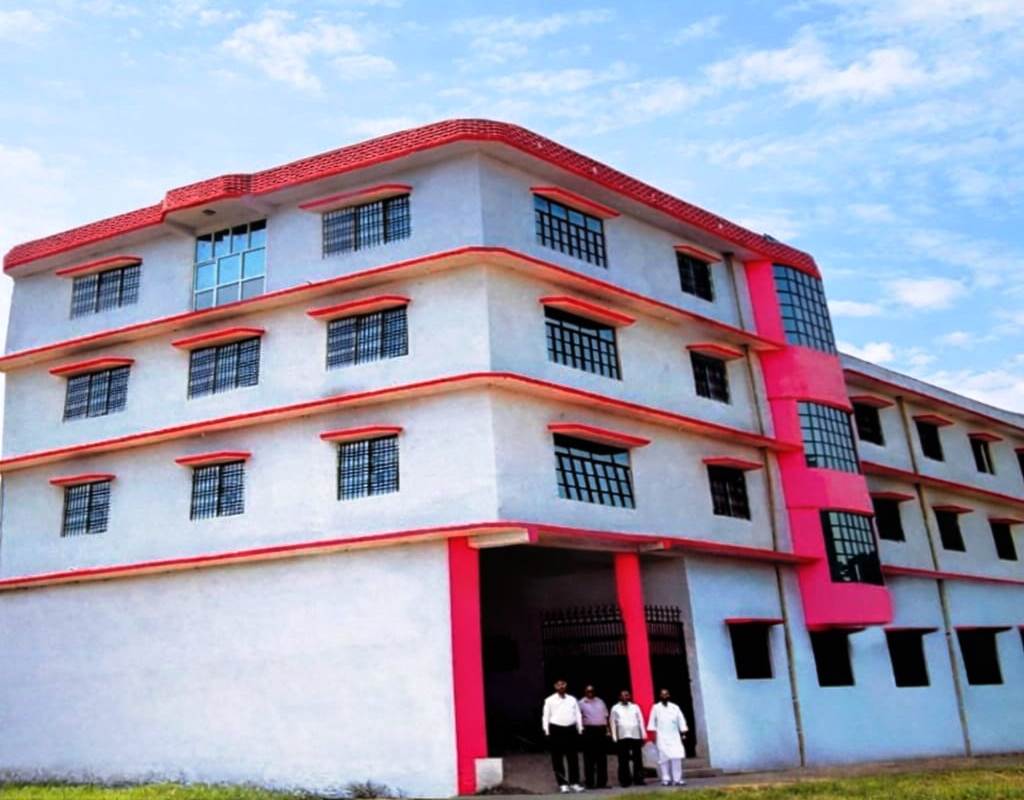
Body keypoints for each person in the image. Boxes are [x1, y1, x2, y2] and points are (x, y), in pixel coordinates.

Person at [542, 679, 584, 793]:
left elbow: (578, 714)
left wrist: (580, 728)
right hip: (556, 729)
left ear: (566, 686)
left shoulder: (572, 699)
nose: (561, 686)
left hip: (570, 729)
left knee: (573, 757)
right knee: (557, 758)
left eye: (563, 684)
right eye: (559, 685)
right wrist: (546, 731)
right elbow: (546, 716)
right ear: (555, 687)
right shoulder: (549, 700)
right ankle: (563, 784)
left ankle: (574, 783)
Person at [647, 688, 688, 787]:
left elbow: (681, 720)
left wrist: (683, 731)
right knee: (663, 759)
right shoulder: (656, 708)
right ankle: (666, 779)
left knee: (676, 757)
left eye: (666, 694)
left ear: (669, 695)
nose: (664, 696)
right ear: (660, 696)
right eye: (662, 694)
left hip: (674, 736)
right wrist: (653, 736)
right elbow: (652, 722)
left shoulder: (675, 707)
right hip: (661, 736)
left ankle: (677, 779)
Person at [609, 689, 646, 788]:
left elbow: (641, 720)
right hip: (622, 736)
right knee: (623, 759)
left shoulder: (635, 707)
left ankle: (639, 779)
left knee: (637, 759)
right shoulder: (615, 708)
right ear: (619, 697)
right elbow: (612, 723)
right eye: (623, 695)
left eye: (627, 695)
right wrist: (614, 737)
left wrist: (643, 734)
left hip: (635, 735)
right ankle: (625, 780)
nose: (625, 697)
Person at [577, 685, 609, 789]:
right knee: (589, 758)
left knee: (602, 758)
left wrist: (607, 730)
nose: (590, 692)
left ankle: (602, 783)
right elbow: (577, 717)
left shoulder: (600, 701)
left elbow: (605, 716)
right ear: (585, 692)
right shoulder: (581, 703)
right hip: (589, 731)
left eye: (592, 691)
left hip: (601, 730)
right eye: (588, 691)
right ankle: (590, 783)